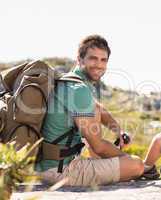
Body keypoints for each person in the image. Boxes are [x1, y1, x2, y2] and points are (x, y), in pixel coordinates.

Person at [35, 35, 144, 186]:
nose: (99, 65)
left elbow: (97, 107)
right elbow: (98, 146)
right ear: (79, 59)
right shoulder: (79, 90)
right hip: (60, 171)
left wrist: (118, 130)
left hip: (47, 166)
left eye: (103, 60)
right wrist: (125, 157)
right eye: (93, 58)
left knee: (93, 122)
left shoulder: (68, 82)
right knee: (137, 165)